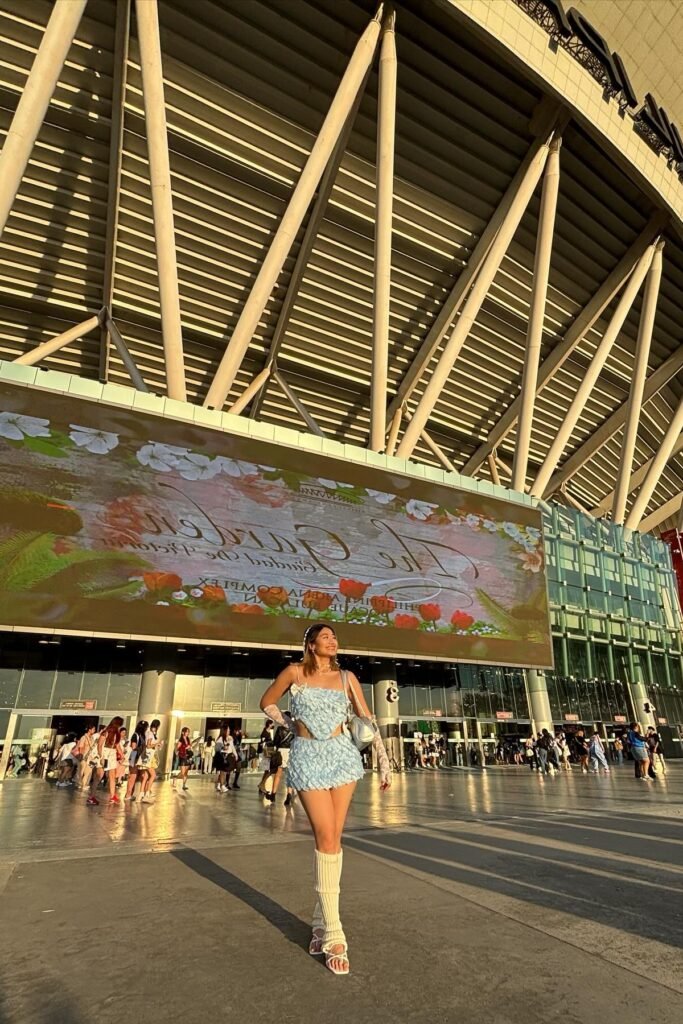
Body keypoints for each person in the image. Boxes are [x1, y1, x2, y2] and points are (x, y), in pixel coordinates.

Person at [259, 622, 391, 976]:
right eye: (326, 637)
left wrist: (384, 759)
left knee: (334, 837)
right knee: (324, 836)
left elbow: (367, 717)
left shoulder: (347, 677)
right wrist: (287, 722)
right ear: (312, 645)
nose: (333, 641)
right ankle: (335, 932)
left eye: (335, 637)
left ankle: (320, 922)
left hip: (343, 756)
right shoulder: (293, 672)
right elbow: (267, 701)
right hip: (306, 755)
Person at [87, 717, 123, 805]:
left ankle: (112, 796)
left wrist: (121, 754)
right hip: (105, 753)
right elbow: (99, 745)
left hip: (111, 753)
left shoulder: (115, 734)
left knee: (112, 776)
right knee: (99, 775)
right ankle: (92, 797)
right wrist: (101, 756)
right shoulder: (105, 732)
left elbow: (117, 745)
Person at [125, 720, 148, 801]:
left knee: (134, 776)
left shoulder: (141, 736)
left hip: (136, 756)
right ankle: (128, 794)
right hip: (134, 756)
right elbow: (133, 747)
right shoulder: (136, 735)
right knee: (133, 776)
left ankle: (130, 794)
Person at [139, 719, 161, 802]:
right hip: (149, 756)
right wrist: (157, 744)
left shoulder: (147, 733)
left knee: (146, 776)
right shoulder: (151, 734)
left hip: (146, 756)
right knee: (153, 775)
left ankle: (141, 794)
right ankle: (147, 793)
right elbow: (148, 745)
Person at [74, 723, 99, 790]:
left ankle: (84, 784)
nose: (94, 730)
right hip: (84, 756)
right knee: (81, 771)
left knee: (88, 771)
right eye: (93, 729)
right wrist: (81, 756)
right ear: (89, 730)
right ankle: (79, 784)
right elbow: (81, 747)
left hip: (90, 757)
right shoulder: (84, 737)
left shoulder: (92, 738)